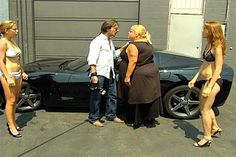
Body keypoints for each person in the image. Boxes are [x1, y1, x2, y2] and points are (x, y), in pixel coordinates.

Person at [117, 24, 163, 129]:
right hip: (150, 73)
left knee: (135, 97)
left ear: (137, 35)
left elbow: (133, 61)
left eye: (131, 31)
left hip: (138, 75)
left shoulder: (133, 46)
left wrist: (127, 76)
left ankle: (134, 119)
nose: (128, 33)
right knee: (148, 96)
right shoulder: (147, 44)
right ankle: (148, 118)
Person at [188, 21, 226, 147]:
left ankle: (207, 137)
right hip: (206, 80)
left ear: (211, 31)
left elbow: (219, 68)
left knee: (204, 110)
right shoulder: (209, 44)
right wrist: (195, 78)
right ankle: (214, 127)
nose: (202, 31)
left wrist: (209, 87)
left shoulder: (217, 46)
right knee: (206, 108)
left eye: (205, 29)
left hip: (213, 81)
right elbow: (205, 64)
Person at [87, 19, 127, 127]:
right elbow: (92, 58)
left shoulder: (109, 41)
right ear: (108, 28)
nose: (117, 30)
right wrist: (94, 75)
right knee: (96, 96)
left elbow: (113, 55)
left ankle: (111, 115)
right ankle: (93, 118)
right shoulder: (97, 41)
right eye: (115, 28)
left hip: (110, 72)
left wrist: (123, 48)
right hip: (99, 73)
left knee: (112, 95)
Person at [0, 20, 28, 138]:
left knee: (15, 99)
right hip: (9, 75)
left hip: (17, 74)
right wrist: (8, 76)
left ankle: (13, 121)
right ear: (6, 30)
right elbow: (0, 61)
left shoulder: (12, 41)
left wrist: (22, 72)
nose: (17, 31)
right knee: (10, 101)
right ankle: (11, 125)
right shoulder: (3, 42)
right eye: (14, 29)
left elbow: (16, 59)